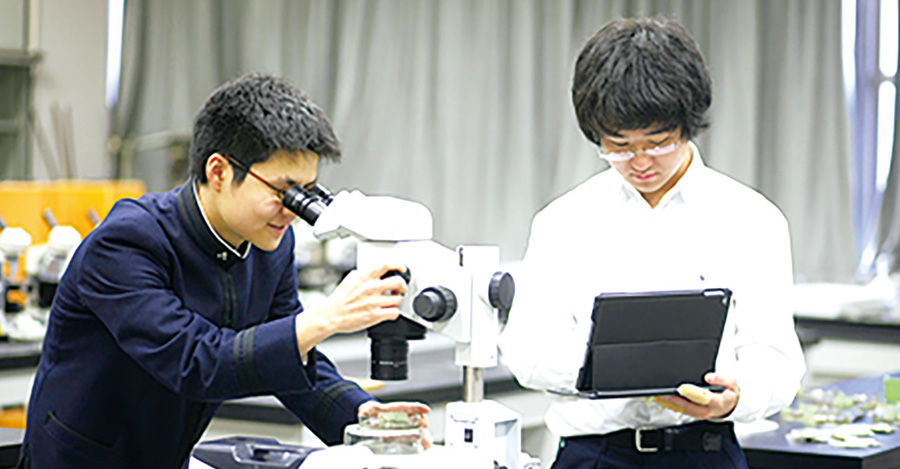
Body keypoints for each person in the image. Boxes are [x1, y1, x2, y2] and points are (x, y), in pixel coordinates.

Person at [19, 74, 429, 468]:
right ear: (218, 172)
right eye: (284, 191)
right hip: (84, 460)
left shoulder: (271, 244)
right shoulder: (128, 241)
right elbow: (197, 361)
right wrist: (326, 318)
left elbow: (290, 358)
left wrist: (361, 415)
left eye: (307, 192)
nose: (294, 210)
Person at [499, 18, 806, 468]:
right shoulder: (563, 221)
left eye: (658, 142)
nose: (640, 162)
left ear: (688, 125)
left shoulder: (751, 219)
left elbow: (776, 358)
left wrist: (736, 395)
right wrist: (605, 370)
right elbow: (526, 350)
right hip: (595, 455)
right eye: (618, 146)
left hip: (704, 452)